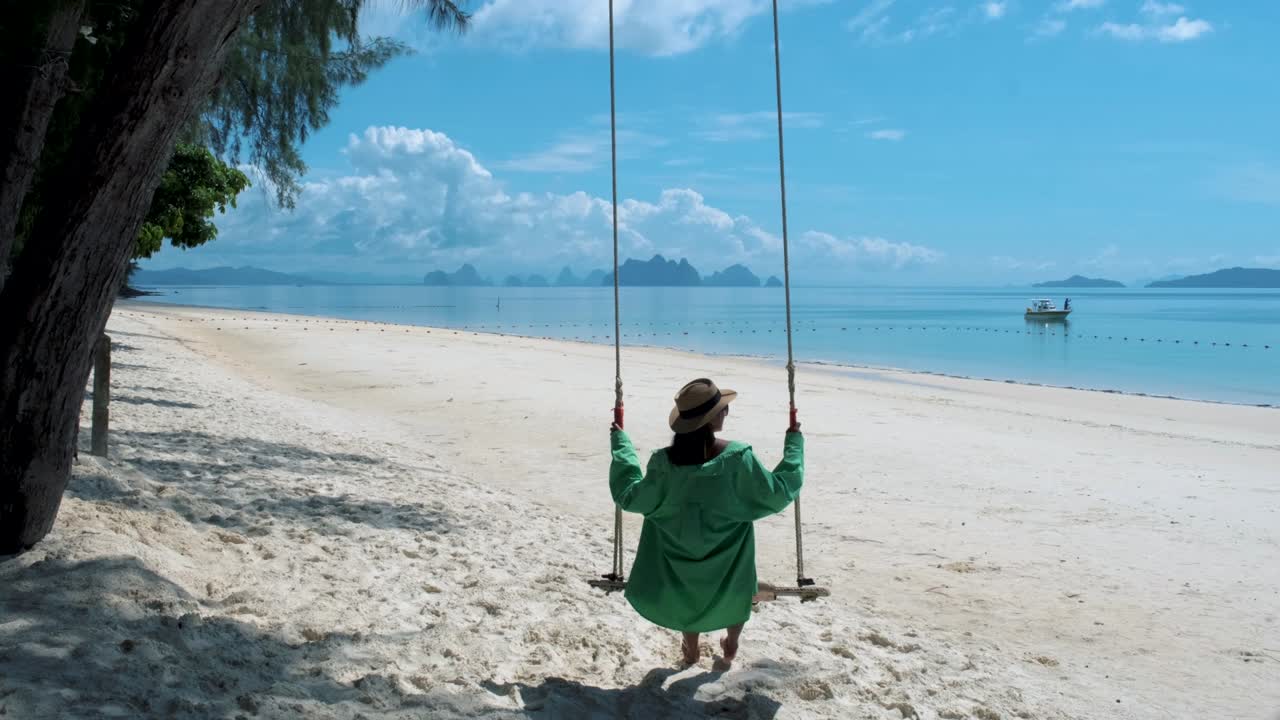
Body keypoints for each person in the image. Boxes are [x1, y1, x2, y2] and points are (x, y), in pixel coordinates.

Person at [608, 378, 804, 667]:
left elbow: (629, 495)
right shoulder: (737, 459)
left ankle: (691, 647)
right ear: (712, 419)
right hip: (728, 557)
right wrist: (794, 445)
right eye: (723, 409)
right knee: (737, 580)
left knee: (688, 589)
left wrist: (621, 443)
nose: (726, 412)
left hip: (677, 558)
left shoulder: (664, 463)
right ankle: (731, 642)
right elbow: (779, 492)